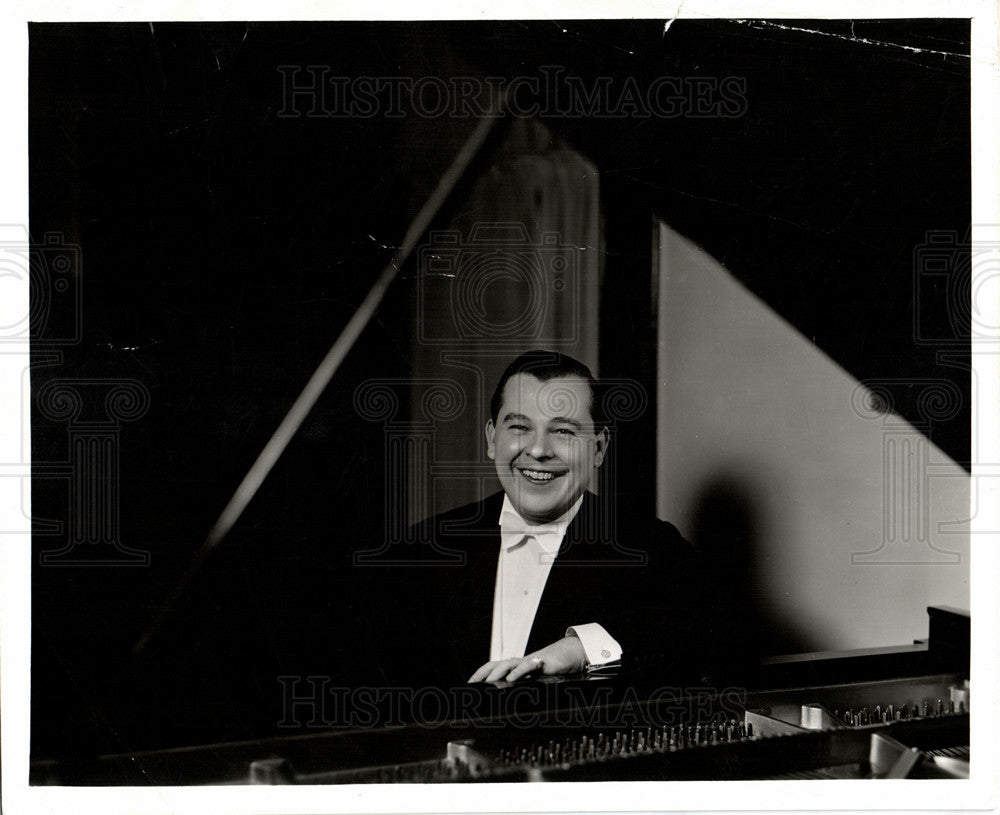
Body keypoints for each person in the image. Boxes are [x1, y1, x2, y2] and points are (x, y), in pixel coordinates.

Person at [379, 350, 707, 687]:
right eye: (520, 427)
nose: (538, 450)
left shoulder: (653, 549)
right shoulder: (421, 547)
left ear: (598, 449)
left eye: (563, 432)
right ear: (493, 438)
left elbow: (698, 639)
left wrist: (581, 648)